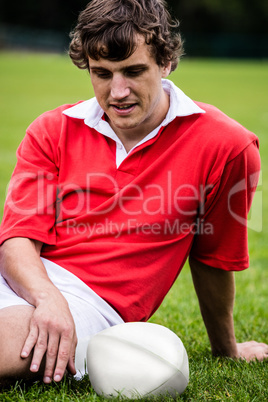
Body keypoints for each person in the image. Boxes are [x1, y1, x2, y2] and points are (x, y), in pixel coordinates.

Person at [0, 0, 267, 385]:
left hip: (90, 305)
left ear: (166, 62)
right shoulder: (51, 129)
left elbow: (214, 259)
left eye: (134, 71)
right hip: (29, 278)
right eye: (102, 74)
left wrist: (227, 348)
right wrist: (46, 297)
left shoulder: (228, 147)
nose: (118, 91)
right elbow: (18, 239)